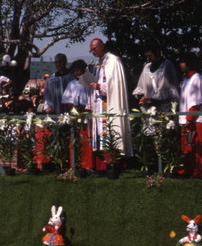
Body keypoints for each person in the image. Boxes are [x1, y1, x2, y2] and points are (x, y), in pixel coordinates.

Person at [88, 38, 133, 166]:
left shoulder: (113, 61)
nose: (93, 52)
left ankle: (114, 163)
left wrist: (99, 87)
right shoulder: (99, 62)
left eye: (94, 49)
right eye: (91, 50)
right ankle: (104, 164)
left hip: (110, 103)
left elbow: (114, 85)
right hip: (100, 104)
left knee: (111, 132)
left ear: (102, 46)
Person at [61, 60, 93, 170]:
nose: (76, 73)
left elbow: (91, 97)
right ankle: (75, 164)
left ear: (84, 70)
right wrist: (73, 109)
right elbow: (66, 99)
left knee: (86, 139)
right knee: (75, 139)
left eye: (78, 70)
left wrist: (85, 108)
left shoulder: (89, 83)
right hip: (75, 115)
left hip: (86, 115)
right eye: (74, 71)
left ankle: (87, 165)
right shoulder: (71, 84)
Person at [133, 43, 179, 113]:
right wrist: (142, 98)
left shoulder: (167, 66)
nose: (148, 59)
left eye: (150, 56)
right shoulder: (147, 67)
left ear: (157, 52)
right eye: (146, 56)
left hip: (163, 110)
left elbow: (168, 93)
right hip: (149, 110)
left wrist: (151, 100)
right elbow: (141, 87)